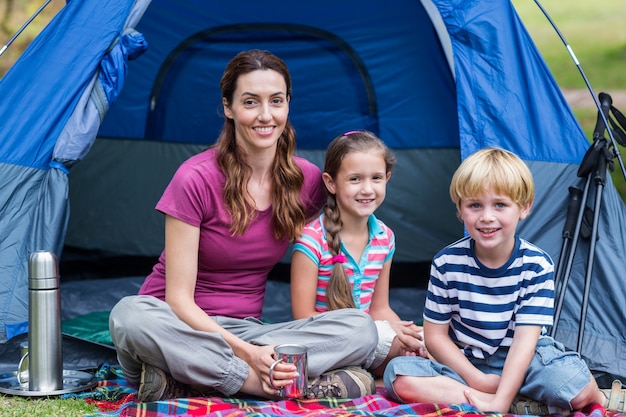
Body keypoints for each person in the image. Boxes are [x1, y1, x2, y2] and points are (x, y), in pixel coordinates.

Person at [108, 50, 379, 402]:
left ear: (287, 105)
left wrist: (387, 325)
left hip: (249, 333)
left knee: (361, 328)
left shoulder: (307, 181)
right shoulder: (195, 178)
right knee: (128, 314)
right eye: (250, 102)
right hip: (176, 330)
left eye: (276, 101)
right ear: (228, 107)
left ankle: (189, 381)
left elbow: (357, 227)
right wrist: (248, 358)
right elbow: (176, 300)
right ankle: (263, 383)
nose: (265, 116)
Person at [383, 147, 624, 414]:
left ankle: (571, 393)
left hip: (527, 359)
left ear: (524, 207)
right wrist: (478, 380)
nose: (487, 217)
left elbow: (524, 342)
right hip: (468, 361)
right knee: (398, 376)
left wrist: (497, 400)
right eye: (475, 205)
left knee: (573, 387)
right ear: (460, 210)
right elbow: (435, 336)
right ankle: (499, 399)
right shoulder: (446, 263)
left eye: (500, 205)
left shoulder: (536, 265)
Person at [290, 131, 428, 380]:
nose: (367, 189)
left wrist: (405, 334)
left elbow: (380, 308)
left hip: (370, 338)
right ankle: (349, 374)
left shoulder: (385, 238)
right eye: (355, 179)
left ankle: (357, 374)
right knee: (374, 339)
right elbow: (302, 318)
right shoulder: (312, 240)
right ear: (331, 183)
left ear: (387, 178)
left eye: (376, 178)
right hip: (326, 342)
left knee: (424, 344)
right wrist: (373, 329)